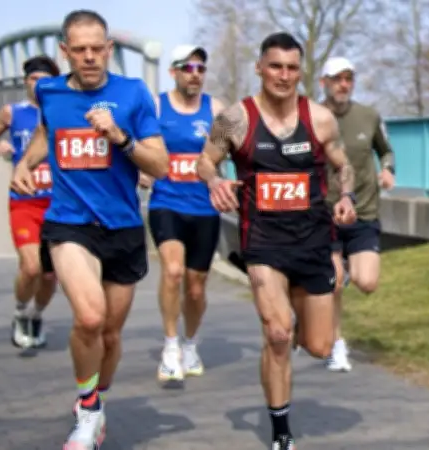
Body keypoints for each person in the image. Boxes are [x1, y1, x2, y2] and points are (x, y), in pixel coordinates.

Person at [9, 9, 168, 450]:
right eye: (79, 50)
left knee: (111, 336)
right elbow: (46, 131)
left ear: (109, 49)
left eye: (98, 48)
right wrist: (26, 161)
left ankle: (94, 401)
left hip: (122, 227)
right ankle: (88, 408)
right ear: (65, 52)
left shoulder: (134, 94)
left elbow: (161, 164)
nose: (90, 57)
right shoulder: (50, 91)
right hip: (69, 222)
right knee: (90, 316)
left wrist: (120, 137)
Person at [196, 32, 357, 450]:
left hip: (313, 240)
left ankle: (299, 324)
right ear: (259, 68)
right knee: (278, 334)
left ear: (299, 72)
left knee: (319, 347)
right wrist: (214, 182)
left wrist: (347, 197)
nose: (283, 76)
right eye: (275, 66)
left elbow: (344, 165)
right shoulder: (236, 118)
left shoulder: (320, 118)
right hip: (263, 242)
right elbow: (204, 161)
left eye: (291, 68)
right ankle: (281, 433)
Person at [138, 44, 225, 384]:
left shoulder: (217, 110)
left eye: (201, 68)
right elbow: (133, 146)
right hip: (166, 203)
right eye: (188, 67)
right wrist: (141, 169)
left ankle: (190, 343)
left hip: (204, 208)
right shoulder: (155, 106)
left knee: (196, 288)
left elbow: (226, 153)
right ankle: (171, 346)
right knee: (172, 271)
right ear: (173, 72)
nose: (195, 74)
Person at [0, 55, 61, 348]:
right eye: (33, 79)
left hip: (58, 205)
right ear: (26, 82)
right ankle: (20, 312)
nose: (39, 84)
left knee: (51, 277)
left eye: (45, 80)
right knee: (31, 267)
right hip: (25, 201)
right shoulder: (12, 113)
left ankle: (36, 315)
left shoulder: (64, 112)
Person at [319, 57, 395, 372]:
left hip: (363, 210)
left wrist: (388, 169)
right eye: (337, 79)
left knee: (367, 282)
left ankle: (345, 271)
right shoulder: (313, 117)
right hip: (325, 214)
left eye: (348, 78)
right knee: (334, 284)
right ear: (324, 82)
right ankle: (338, 347)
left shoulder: (369, 116)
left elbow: (386, 150)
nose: (344, 84)